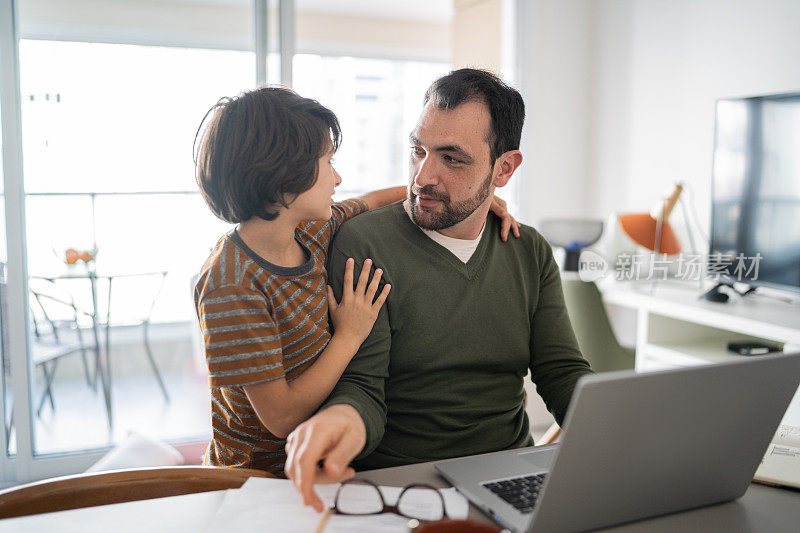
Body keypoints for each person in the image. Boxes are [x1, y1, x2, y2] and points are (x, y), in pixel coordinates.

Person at [284, 69, 594, 510]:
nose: (423, 177)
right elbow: (363, 386)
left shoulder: (530, 253)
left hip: (509, 472)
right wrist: (340, 420)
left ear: (504, 168)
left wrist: (619, 430)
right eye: (418, 150)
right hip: (405, 483)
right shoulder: (365, 242)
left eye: (452, 158)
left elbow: (561, 372)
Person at [193, 86, 519, 476]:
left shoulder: (313, 230)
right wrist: (350, 335)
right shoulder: (230, 283)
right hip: (256, 478)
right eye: (327, 161)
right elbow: (280, 418)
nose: (338, 176)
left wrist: (479, 200)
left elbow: (378, 200)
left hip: (325, 461)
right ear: (283, 176)